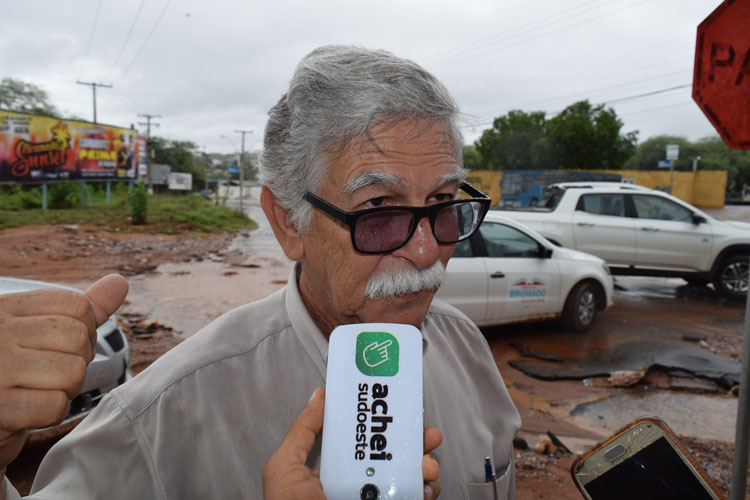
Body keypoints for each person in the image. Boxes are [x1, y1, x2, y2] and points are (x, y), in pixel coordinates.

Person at [0, 45, 520, 499]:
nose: (428, 252)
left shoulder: (467, 348)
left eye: (443, 201)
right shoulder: (159, 421)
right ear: (287, 222)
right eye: (379, 208)